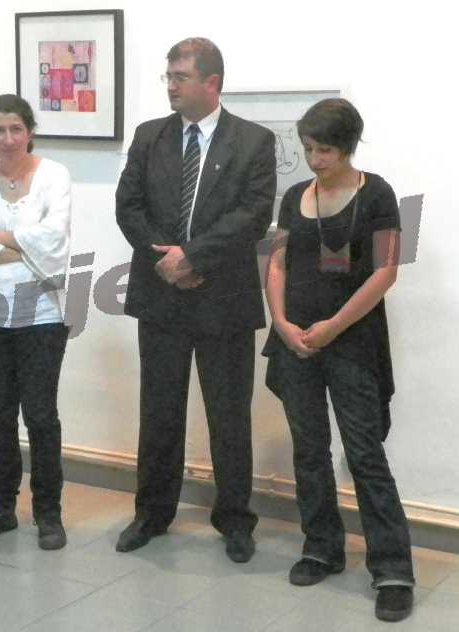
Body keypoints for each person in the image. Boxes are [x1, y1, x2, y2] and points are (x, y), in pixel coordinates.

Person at [114, 38, 276, 562]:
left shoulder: (253, 141)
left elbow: (253, 215)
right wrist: (167, 262)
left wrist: (192, 257)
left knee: (229, 415)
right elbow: (129, 206)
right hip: (161, 294)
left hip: (223, 297)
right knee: (159, 411)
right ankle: (152, 513)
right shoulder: (150, 136)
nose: (171, 86)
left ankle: (235, 520)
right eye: (168, 76)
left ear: (212, 83)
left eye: (181, 76)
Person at [262, 98, 415, 621]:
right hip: (297, 341)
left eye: (324, 149)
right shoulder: (294, 197)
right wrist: (282, 323)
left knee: (365, 453)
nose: (314, 159)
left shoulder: (378, 193)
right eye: (308, 148)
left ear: (348, 146)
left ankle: (392, 569)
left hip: (352, 342)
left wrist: (334, 327)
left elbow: (386, 271)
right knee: (308, 450)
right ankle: (322, 547)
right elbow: (277, 264)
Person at [0, 94, 71, 551]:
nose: (8, 138)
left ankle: (48, 512)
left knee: (41, 416)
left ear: (30, 132)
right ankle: (0, 508)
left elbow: (54, 241)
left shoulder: (54, 175)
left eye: (16, 129)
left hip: (42, 314)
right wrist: (24, 246)